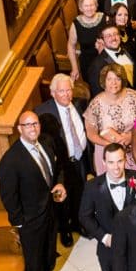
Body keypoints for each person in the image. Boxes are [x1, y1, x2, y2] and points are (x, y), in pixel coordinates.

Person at [0, 111, 72, 271]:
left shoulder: (46, 145)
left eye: (35, 124)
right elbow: (8, 196)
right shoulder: (11, 160)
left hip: (50, 210)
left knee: (49, 251)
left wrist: (60, 183)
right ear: (20, 129)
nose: (33, 128)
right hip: (29, 220)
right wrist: (20, 222)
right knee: (35, 259)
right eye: (28, 125)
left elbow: (56, 170)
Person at [79, 143, 136, 271]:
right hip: (108, 248)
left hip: (135, 246)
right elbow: (85, 217)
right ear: (104, 162)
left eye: (120, 161)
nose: (116, 167)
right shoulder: (92, 186)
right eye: (111, 162)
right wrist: (104, 237)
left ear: (125, 160)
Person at [36, 74, 90, 247]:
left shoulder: (79, 104)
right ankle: (64, 230)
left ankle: (77, 223)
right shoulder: (43, 113)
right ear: (52, 93)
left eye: (69, 90)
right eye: (61, 91)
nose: (66, 94)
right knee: (61, 198)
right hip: (60, 165)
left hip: (79, 160)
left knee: (79, 194)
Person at [84, 63, 136, 175]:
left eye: (117, 79)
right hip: (108, 151)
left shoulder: (135, 97)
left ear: (122, 80)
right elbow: (91, 134)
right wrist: (108, 144)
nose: (114, 83)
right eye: (109, 79)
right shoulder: (95, 104)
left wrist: (131, 136)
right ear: (104, 81)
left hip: (132, 148)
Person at [66, 0, 107, 85]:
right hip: (87, 63)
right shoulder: (76, 24)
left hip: (105, 60)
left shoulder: (105, 19)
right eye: (86, 6)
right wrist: (75, 68)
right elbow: (71, 46)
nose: (89, 8)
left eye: (92, 5)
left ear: (96, 6)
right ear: (81, 8)